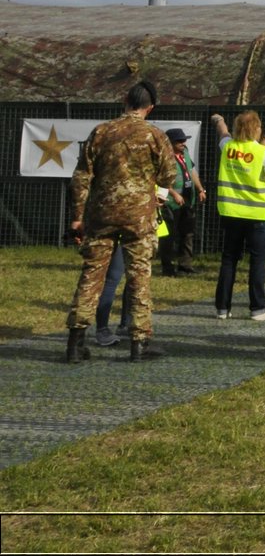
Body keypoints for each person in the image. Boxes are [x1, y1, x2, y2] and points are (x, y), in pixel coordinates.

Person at [64, 80, 177, 363]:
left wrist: (77, 217)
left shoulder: (100, 132)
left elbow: (81, 178)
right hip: (138, 218)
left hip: (101, 216)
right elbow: (168, 177)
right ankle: (139, 344)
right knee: (139, 278)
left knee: (91, 275)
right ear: (149, 108)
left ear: (124, 100)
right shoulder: (155, 135)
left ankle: (75, 343)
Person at [212, 111, 265, 322]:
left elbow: (222, 133)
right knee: (257, 262)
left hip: (231, 212)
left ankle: (222, 308)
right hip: (257, 214)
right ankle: (257, 308)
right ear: (256, 129)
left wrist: (219, 120)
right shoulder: (264, 152)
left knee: (229, 260)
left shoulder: (228, 147)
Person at [160, 127, 204, 276]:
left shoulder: (184, 153)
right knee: (169, 236)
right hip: (170, 202)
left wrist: (200, 189)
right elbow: (159, 180)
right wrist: (173, 193)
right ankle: (168, 267)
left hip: (187, 200)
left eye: (184, 140)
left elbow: (192, 172)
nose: (183, 143)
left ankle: (185, 265)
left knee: (187, 233)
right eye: (179, 141)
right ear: (170, 142)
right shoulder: (163, 156)